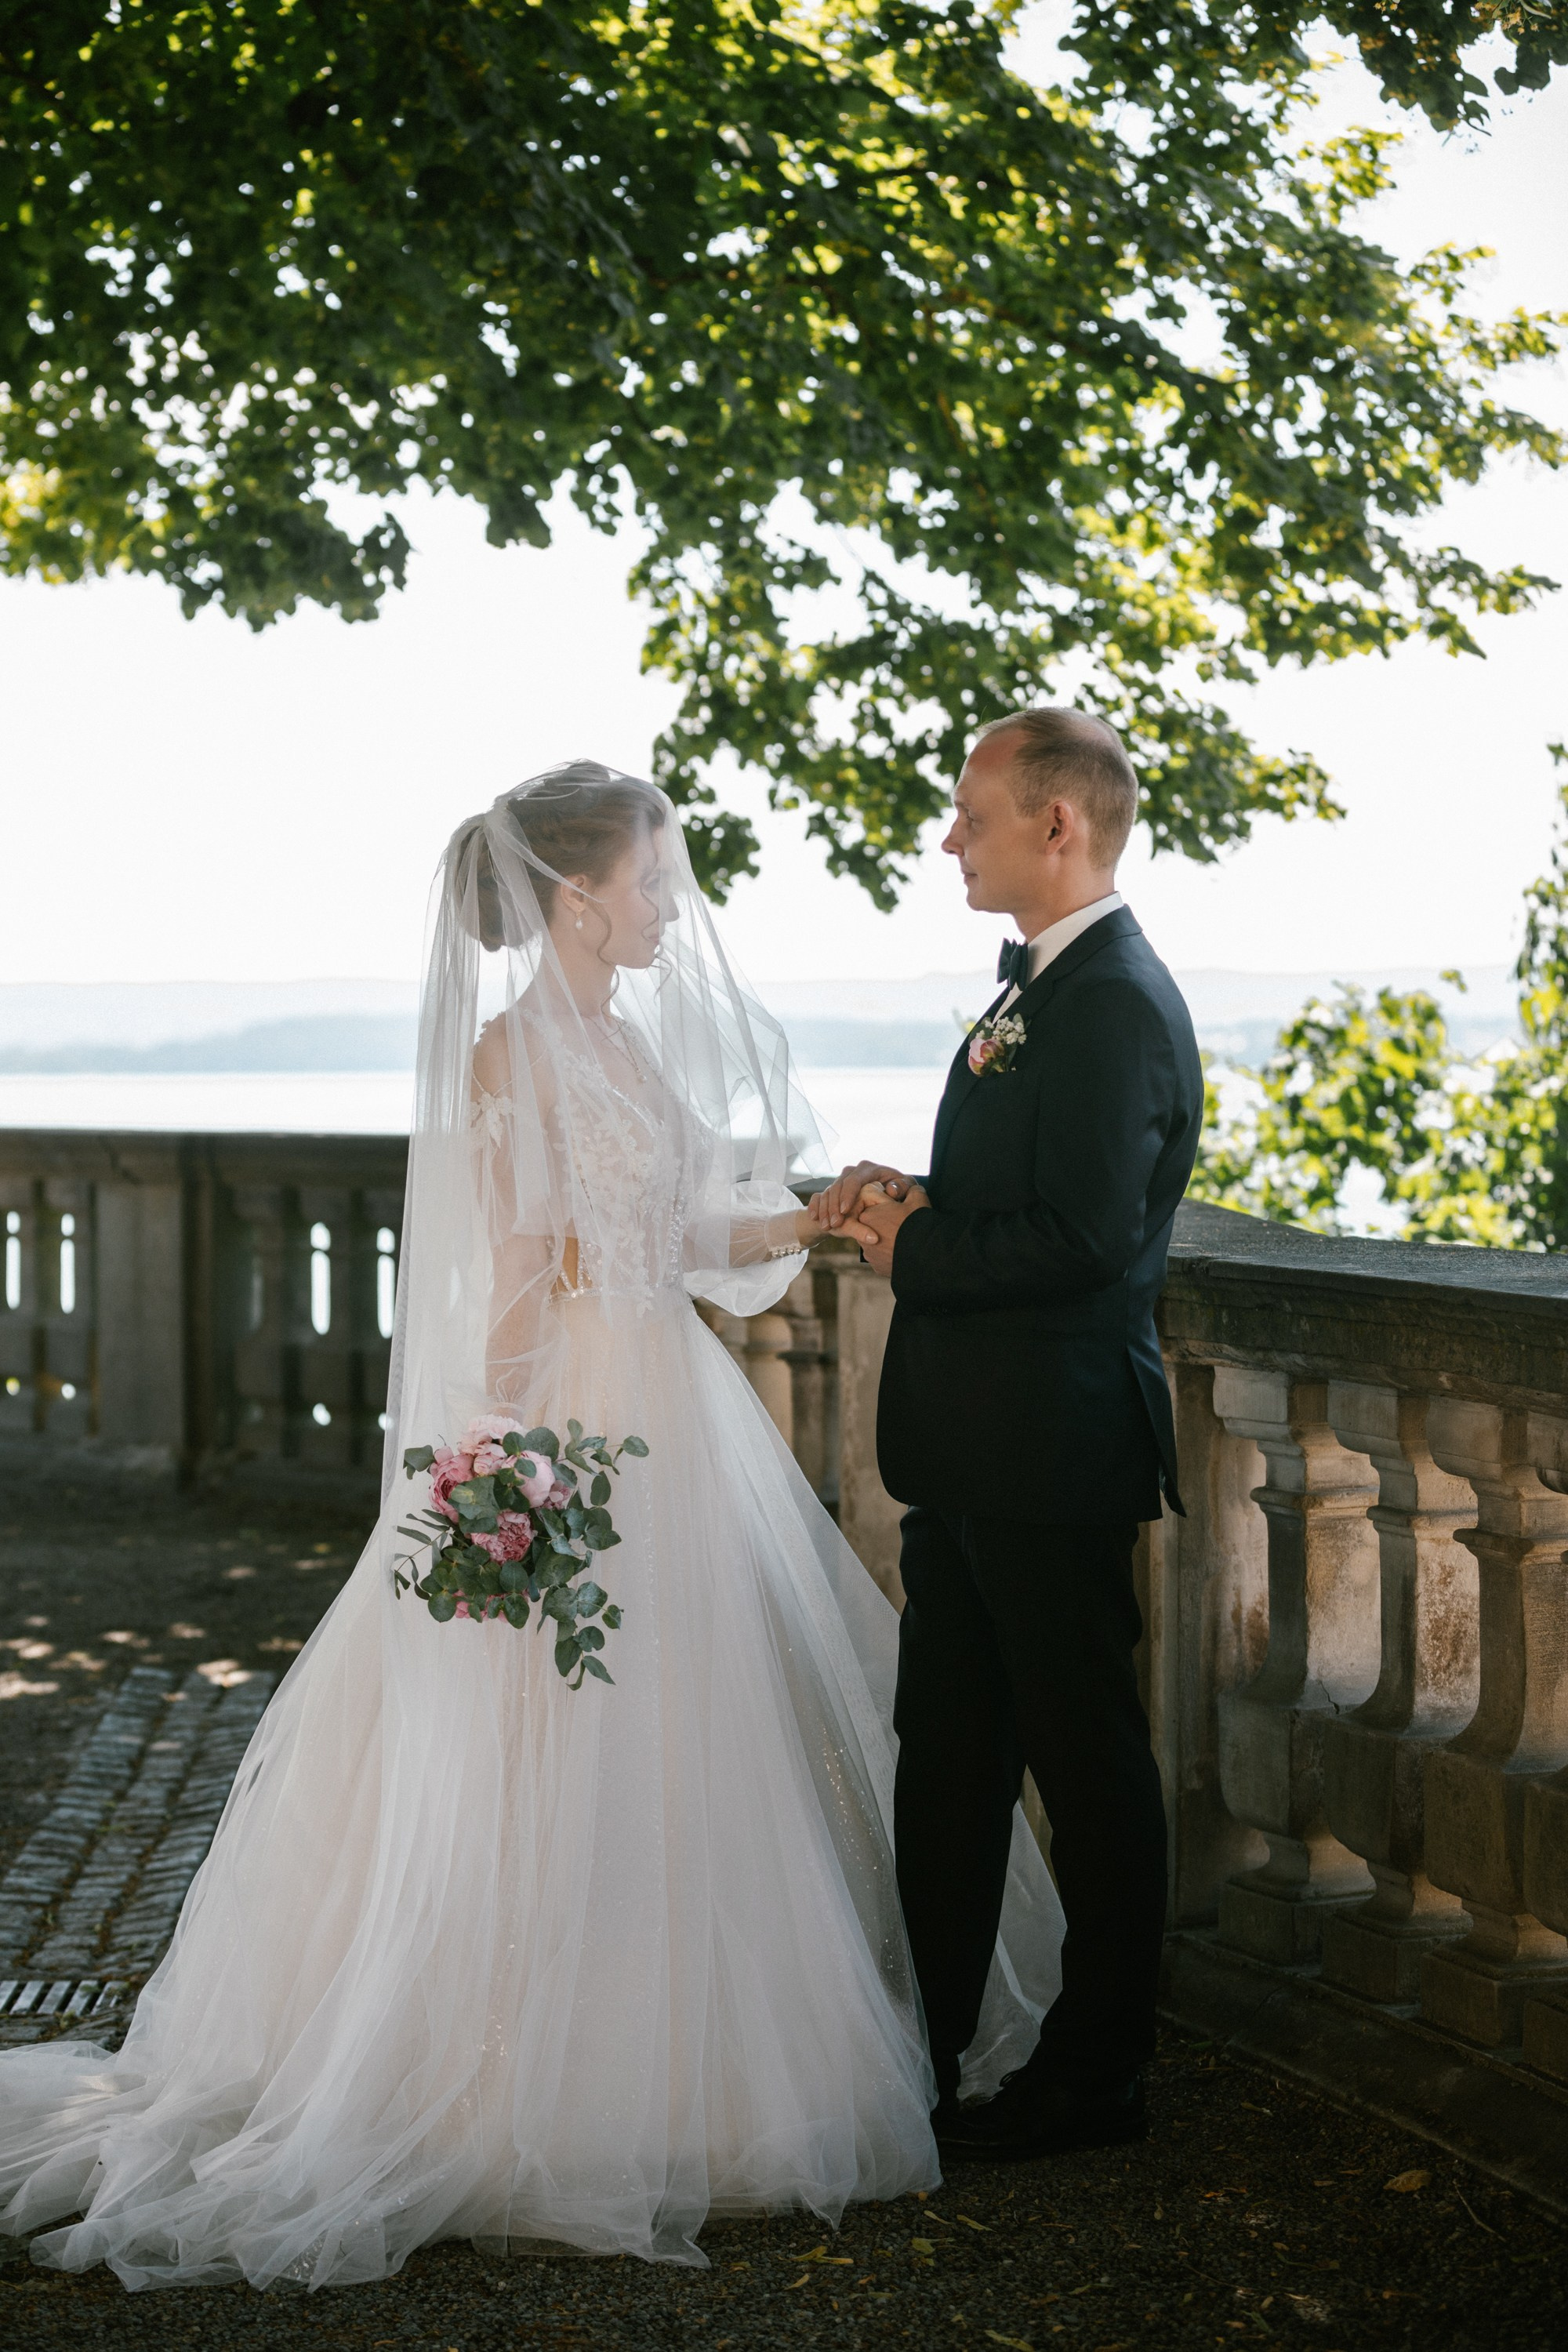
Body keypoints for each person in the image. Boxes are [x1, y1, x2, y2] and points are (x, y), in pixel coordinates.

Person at [0, 763, 1064, 2289]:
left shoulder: (622, 1042)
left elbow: (681, 1230)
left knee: (680, 1731)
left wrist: (810, 1218)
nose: (665, 907)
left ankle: (674, 2067)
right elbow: (509, 1268)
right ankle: (516, 2079)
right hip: (573, 1411)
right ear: (579, 896)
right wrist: (495, 1457)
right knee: (549, 1731)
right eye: (649, 881)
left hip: (671, 1407)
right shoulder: (509, 1059)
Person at [813, 708, 1203, 2161]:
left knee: (1088, 1772)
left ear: (1060, 825)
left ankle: (1097, 2077)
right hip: (975, 1458)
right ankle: (925, 2057)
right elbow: (1019, 1192)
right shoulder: (1041, 989)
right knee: (952, 1762)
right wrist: (908, 1195)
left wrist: (913, 1253)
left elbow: (1087, 1235)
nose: (949, 838)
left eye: (972, 815)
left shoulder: (1110, 1001)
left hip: (1053, 1451)